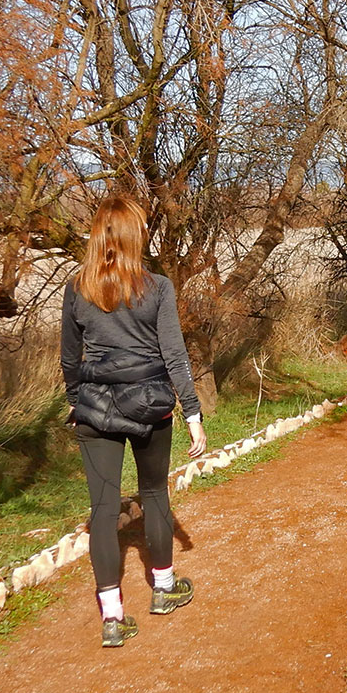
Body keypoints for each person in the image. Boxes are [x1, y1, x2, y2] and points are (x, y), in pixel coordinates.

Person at [61, 195, 209, 647]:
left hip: (94, 409)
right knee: (153, 493)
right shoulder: (158, 287)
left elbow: (69, 360)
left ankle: (112, 618)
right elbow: (174, 355)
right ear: (134, 237)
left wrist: (78, 402)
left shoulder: (77, 289)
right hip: (149, 404)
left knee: (103, 510)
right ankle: (163, 590)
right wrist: (192, 413)